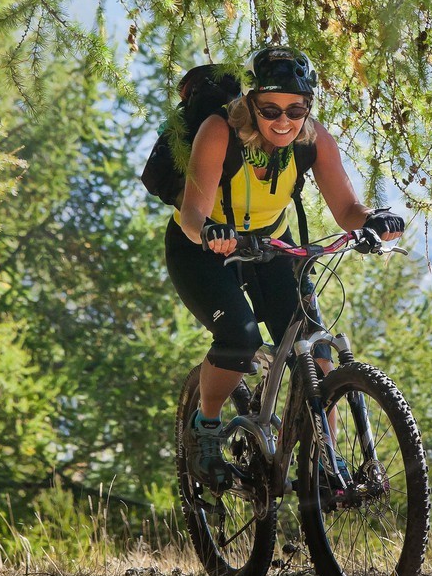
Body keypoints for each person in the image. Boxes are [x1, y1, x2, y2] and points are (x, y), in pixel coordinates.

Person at [166, 45, 405, 489]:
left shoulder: (314, 140)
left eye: (296, 109)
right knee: (239, 337)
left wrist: (372, 221)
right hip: (202, 247)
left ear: (308, 107)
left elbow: (348, 208)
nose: (283, 120)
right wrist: (212, 233)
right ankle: (206, 428)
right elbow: (191, 214)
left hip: (272, 245)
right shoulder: (219, 132)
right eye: (270, 108)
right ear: (250, 103)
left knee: (316, 354)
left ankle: (323, 462)